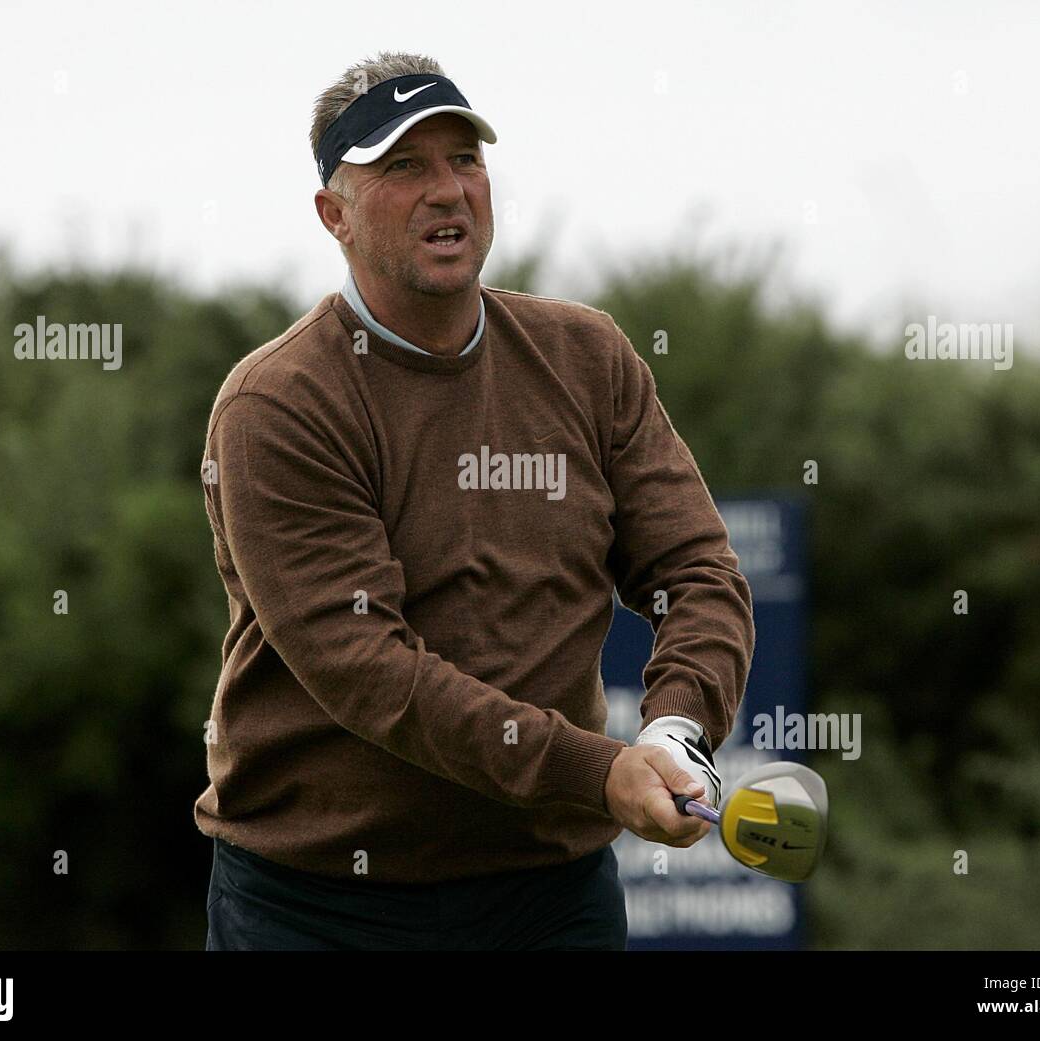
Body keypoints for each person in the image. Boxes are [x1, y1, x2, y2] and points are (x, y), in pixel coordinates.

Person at [195, 51, 754, 951]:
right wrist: (601, 769)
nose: (448, 190)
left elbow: (696, 570)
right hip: (320, 902)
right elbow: (370, 671)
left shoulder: (589, 356)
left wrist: (680, 729)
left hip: (548, 891)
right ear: (332, 214)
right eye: (404, 166)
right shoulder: (278, 404)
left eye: (465, 159)